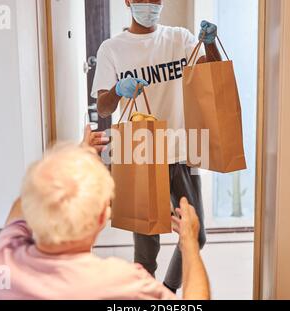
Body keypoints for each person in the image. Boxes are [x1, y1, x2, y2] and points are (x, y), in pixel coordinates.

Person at [0, 127, 210, 300]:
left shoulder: (4, 259)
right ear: (102, 218)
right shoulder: (123, 283)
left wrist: (79, 153)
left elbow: (23, 203)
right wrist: (189, 244)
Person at [91, 0, 222, 292]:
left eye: (156, 0)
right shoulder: (112, 48)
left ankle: (167, 290)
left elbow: (210, 70)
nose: (150, 4)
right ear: (128, 1)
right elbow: (102, 107)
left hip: (181, 150)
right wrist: (118, 89)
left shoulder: (180, 38)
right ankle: (147, 297)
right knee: (146, 250)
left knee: (196, 236)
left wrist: (210, 44)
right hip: (139, 154)